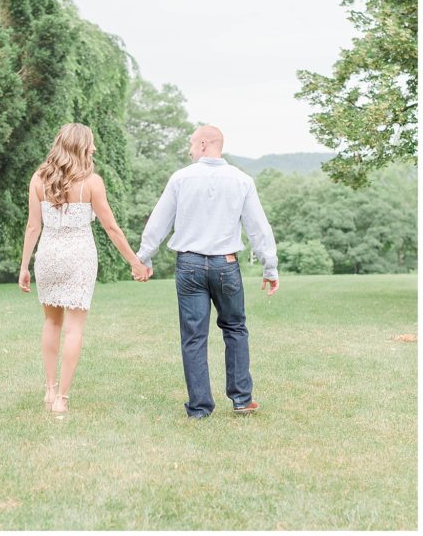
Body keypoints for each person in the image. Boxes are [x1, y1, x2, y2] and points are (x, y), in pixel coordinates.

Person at [137, 124, 279, 419]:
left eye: (191, 142)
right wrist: (270, 266)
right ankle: (241, 399)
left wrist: (144, 257)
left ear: (204, 144)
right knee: (235, 329)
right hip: (225, 265)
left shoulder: (181, 178)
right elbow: (258, 227)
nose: (189, 148)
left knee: (193, 336)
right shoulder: (242, 180)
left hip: (189, 266)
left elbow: (159, 221)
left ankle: (200, 408)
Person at [18, 123, 148, 415]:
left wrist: (24, 265)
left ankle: (49, 391)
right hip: (79, 257)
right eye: (91, 144)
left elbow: (33, 226)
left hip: (49, 255)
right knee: (74, 328)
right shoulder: (92, 182)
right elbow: (111, 228)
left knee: (51, 323)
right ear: (81, 146)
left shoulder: (39, 179)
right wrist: (134, 262)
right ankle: (62, 399)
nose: (95, 149)